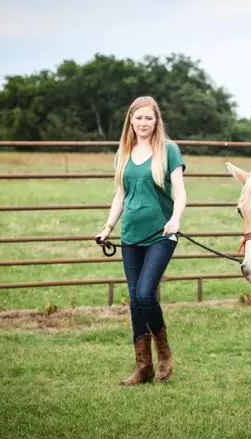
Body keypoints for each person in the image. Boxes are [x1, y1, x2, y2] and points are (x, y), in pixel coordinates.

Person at [95, 96, 187, 385]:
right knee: (135, 300)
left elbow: (181, 192)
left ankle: (164, 353)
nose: (144, 123)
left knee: (146, 293)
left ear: (156, 121)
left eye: (149, 118)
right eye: (139, 118)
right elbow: (120, 195)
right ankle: (143, 366)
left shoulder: (169, 150)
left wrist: (176, 218)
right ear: (131, 121)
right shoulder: (123, 153)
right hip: (131, 235)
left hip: (162, 234)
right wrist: (108, 227)